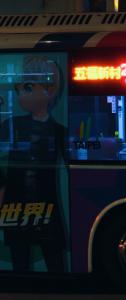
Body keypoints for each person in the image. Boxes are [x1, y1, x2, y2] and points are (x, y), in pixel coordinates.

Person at [0, 55, 67, 273]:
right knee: (20, 258)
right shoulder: (11, 124)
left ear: (49, 90)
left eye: (27, 87)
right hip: (16, 206)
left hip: (46, 207)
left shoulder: (59, 131)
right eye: (20, 88)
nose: (21, 94)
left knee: (54, 258)